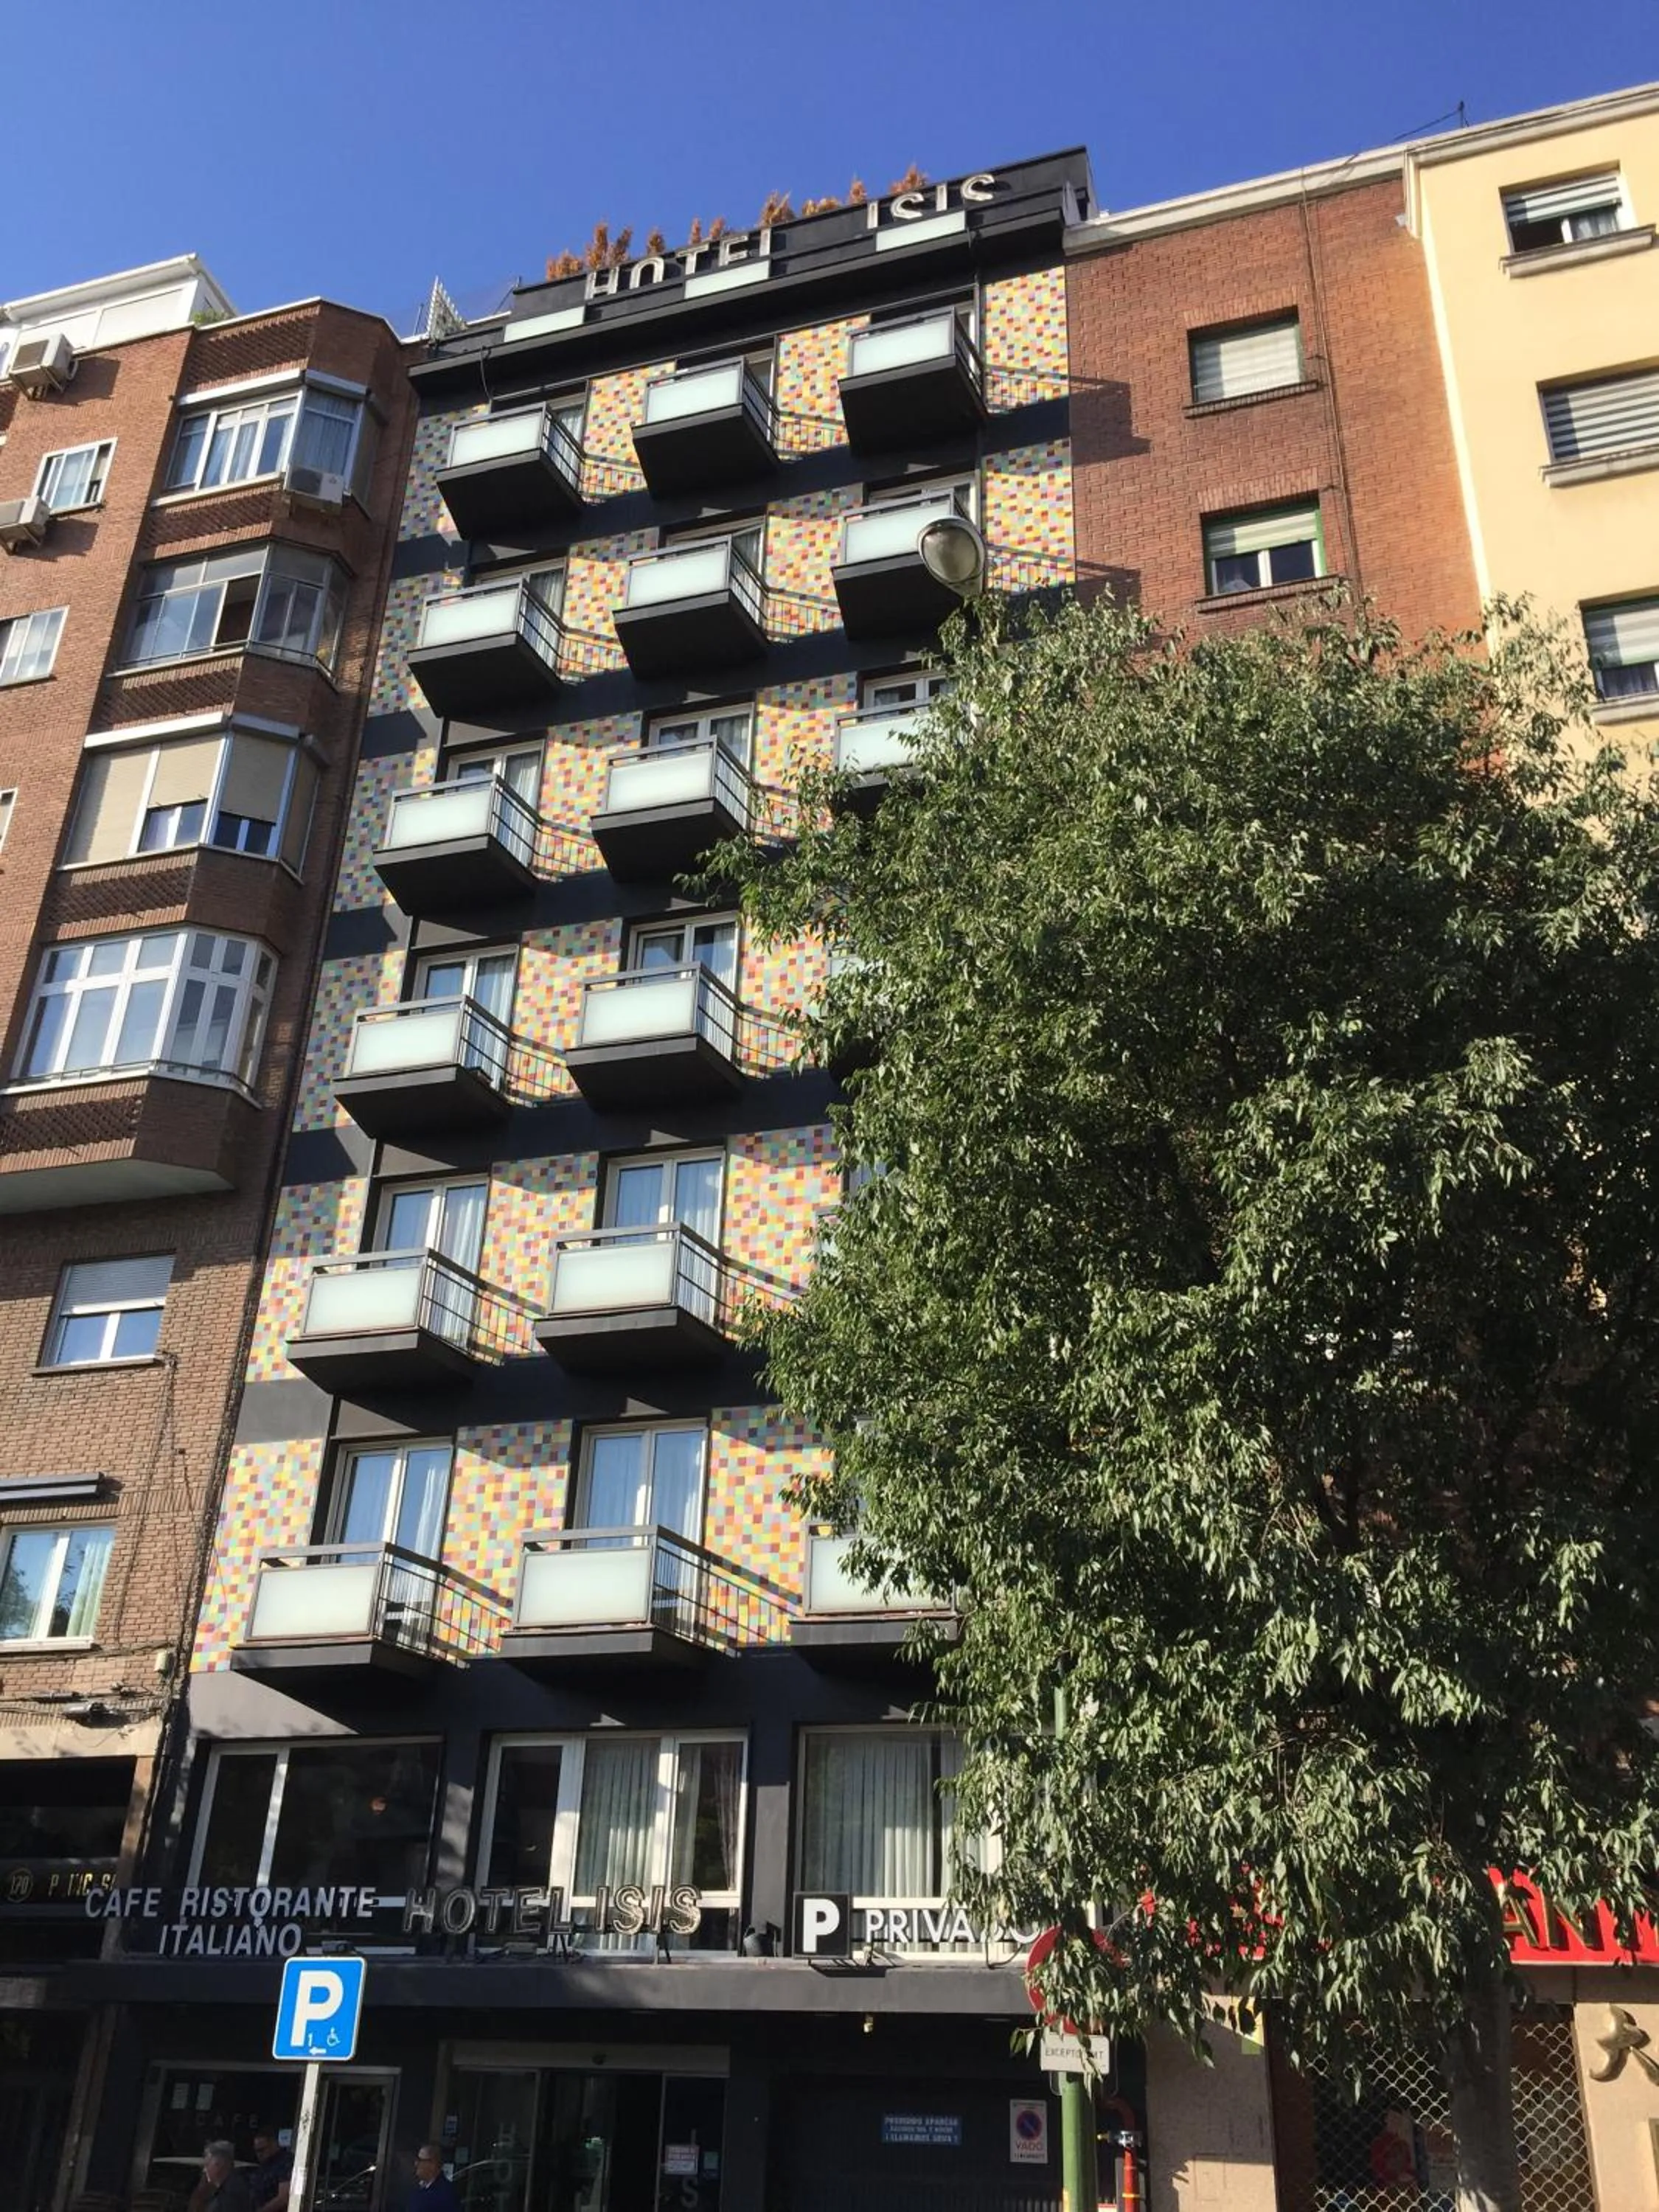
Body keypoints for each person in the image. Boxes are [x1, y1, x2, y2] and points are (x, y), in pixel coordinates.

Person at [196, 2143, 255, 2212]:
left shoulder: (232, 2193)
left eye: (207, 2164)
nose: (204, 2170)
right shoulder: (228, 2189)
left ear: (219, 2165)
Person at [249, 2128, 293, 2212]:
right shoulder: (265, 2165)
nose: (259, 2154)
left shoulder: (285, 2162)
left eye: (262, 2150)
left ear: (274, 2144)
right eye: (257, 2151)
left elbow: (284, 2197)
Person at [408, 2145, 461, 2212]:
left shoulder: (446, 2194)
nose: (416, 2164)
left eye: (420, 2160)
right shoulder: (417, 2188)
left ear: (433, 2164)